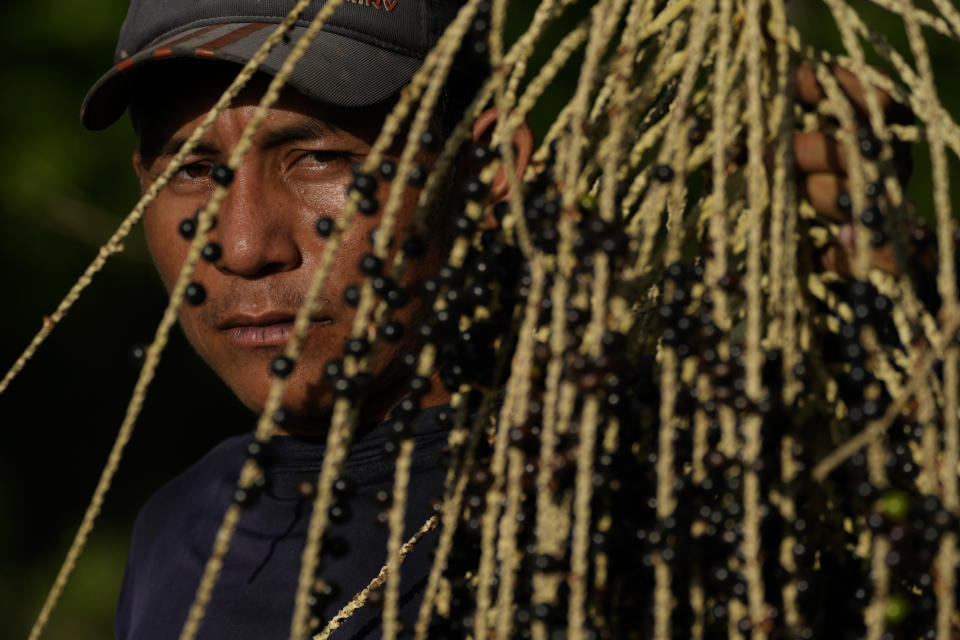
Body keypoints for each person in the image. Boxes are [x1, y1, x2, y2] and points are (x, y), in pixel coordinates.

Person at [80, 1, 914, 639]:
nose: (242, 242)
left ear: (484, 172)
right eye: (191, 170)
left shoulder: (649, 506)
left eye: (319, 158)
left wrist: (889, 352)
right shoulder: (177, 531)